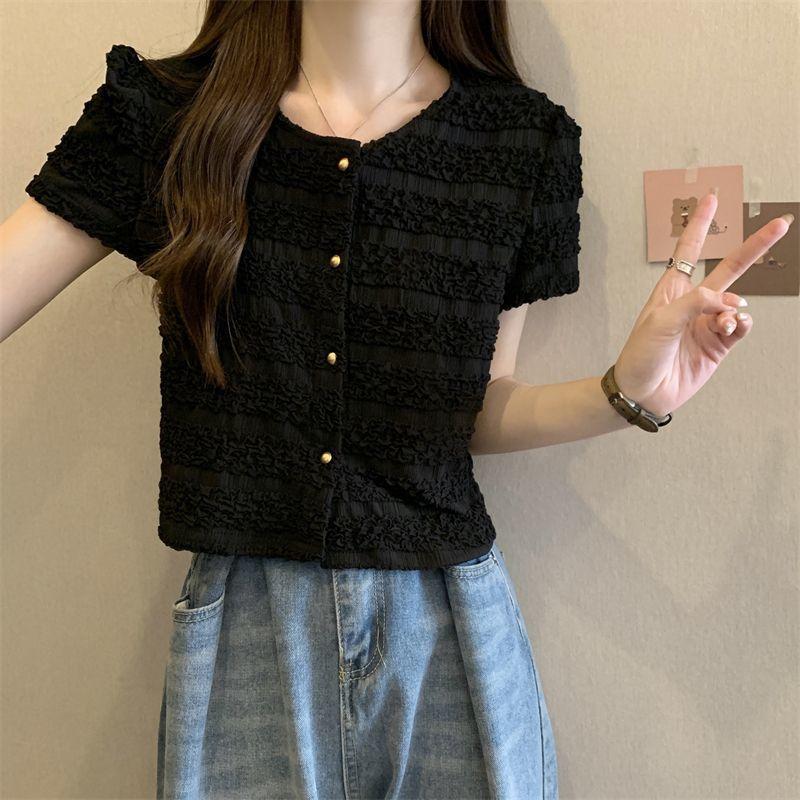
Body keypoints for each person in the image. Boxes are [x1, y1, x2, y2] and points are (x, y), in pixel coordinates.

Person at [1, 1, 792, 798]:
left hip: (449, 631)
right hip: (250, 632)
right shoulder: (166, 119)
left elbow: (471, 409)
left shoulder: (517, 141)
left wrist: (623, 393)